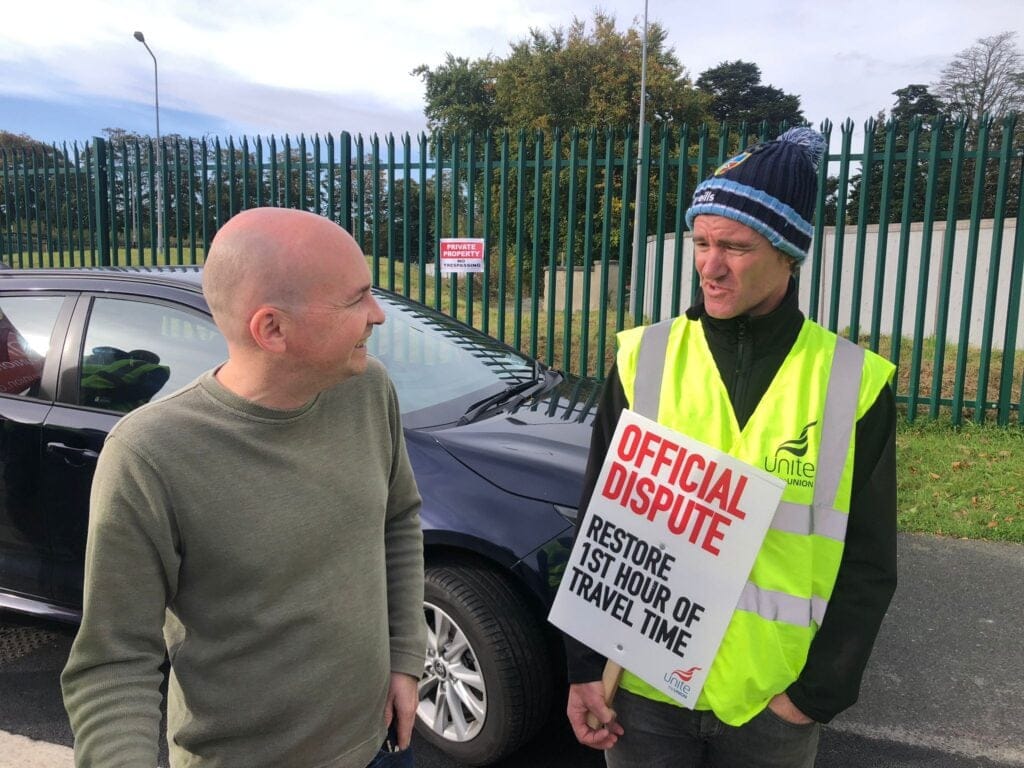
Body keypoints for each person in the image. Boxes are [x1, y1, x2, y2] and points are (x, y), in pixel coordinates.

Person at [564, 127, 897, 767]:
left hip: (770, 703)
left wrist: (813, 696)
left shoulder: (851, 382)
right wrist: (583, 666)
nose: (710, 267)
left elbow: (869, 558)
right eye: (702, 242)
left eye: (736, 248)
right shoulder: (644, 357)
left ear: (789, 255)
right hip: (641, 691)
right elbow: (596, 523)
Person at [61, 207, 427, 768]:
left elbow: (398, 519)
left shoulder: (368, 389)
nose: (377, 314)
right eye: (356, 299)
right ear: (272, 328)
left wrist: (404, 656)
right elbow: (114, 661)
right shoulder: (149, 455)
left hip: (379, 744)